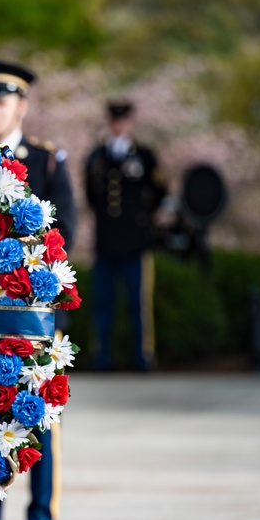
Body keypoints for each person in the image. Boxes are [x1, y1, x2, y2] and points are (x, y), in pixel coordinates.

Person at [0, 59, 74, 520]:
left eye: (2, 101)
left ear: (22, 105)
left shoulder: (47, 160)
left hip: (31, 306)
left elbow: (64, 232)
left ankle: (40, 517)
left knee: (36, 412)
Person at [84, 100, 167, 371]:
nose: (118, 126)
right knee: (103, 302)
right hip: (106, 240)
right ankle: (102, 356)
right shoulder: (97, 156)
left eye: (123, 121)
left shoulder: (144, 155)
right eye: (114, 121)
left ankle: (142, 356)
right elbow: (91, 195)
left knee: (137, 303)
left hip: (135, 241)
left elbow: (159, 192)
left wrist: (142, 220)